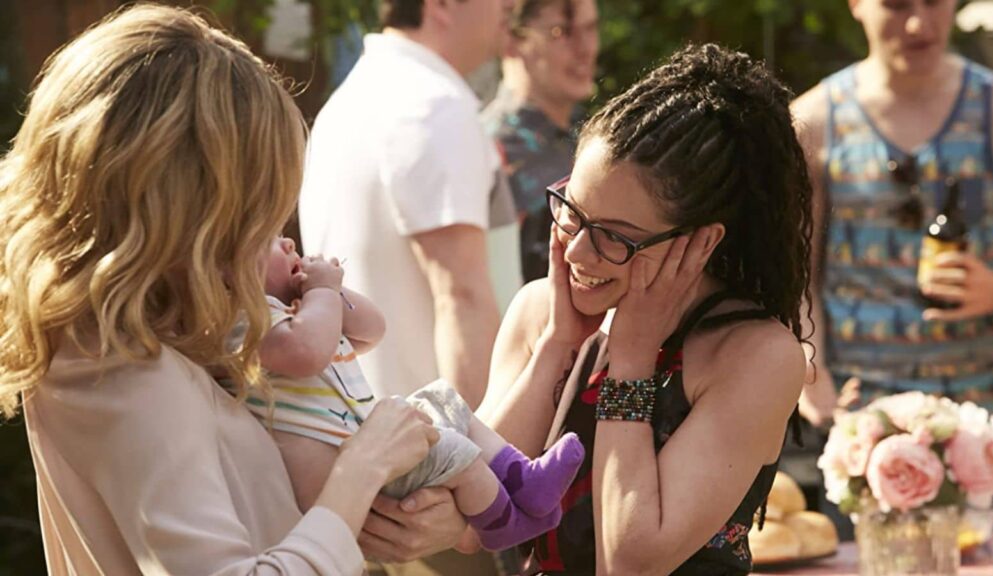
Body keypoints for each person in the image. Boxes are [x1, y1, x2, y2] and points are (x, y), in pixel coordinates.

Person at [0, 6, 444, 574]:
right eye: (261, 205)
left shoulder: (146, 333)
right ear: (200, 209)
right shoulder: (125, 372)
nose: (277, 230)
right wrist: (363, 470)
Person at [477, 44, 811, 574]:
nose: (577, 252)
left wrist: (631, 361)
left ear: (701, 242)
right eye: (572, 211)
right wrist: (557, 347)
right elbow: (471, 516)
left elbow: (630, 562)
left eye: (614, 236)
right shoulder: (541, 312)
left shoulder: (755, 355)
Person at [298, 0, 520, 569]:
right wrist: (480, 508)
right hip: (434, 504)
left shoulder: (345, 105)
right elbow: (462, 297)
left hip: (365, 487)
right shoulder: (433, 105)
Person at [791, 0, 993, 503]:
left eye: (933, 1)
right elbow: (796, 278)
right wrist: (811, 371)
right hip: (867, 439)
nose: (918, 23)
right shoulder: (814, 122)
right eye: (896, 5)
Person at [236, 237, 585, 551]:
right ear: (228, 270)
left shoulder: (304, 311)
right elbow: (307, 352)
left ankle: (526, 480)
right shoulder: (244, 320)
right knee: (453, 449)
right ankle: (505, 525)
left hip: (372, 449)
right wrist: (322, 291)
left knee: (442, 398)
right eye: (266, 240)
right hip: (349, 477)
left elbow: (372, 330)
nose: (287, 242)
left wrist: (333, 290)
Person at [482, 0, 600, 282]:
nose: (585, 49)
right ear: (511, 39)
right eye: (561, 32)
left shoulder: (594, 137)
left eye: (591, 28)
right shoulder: (490, 151)